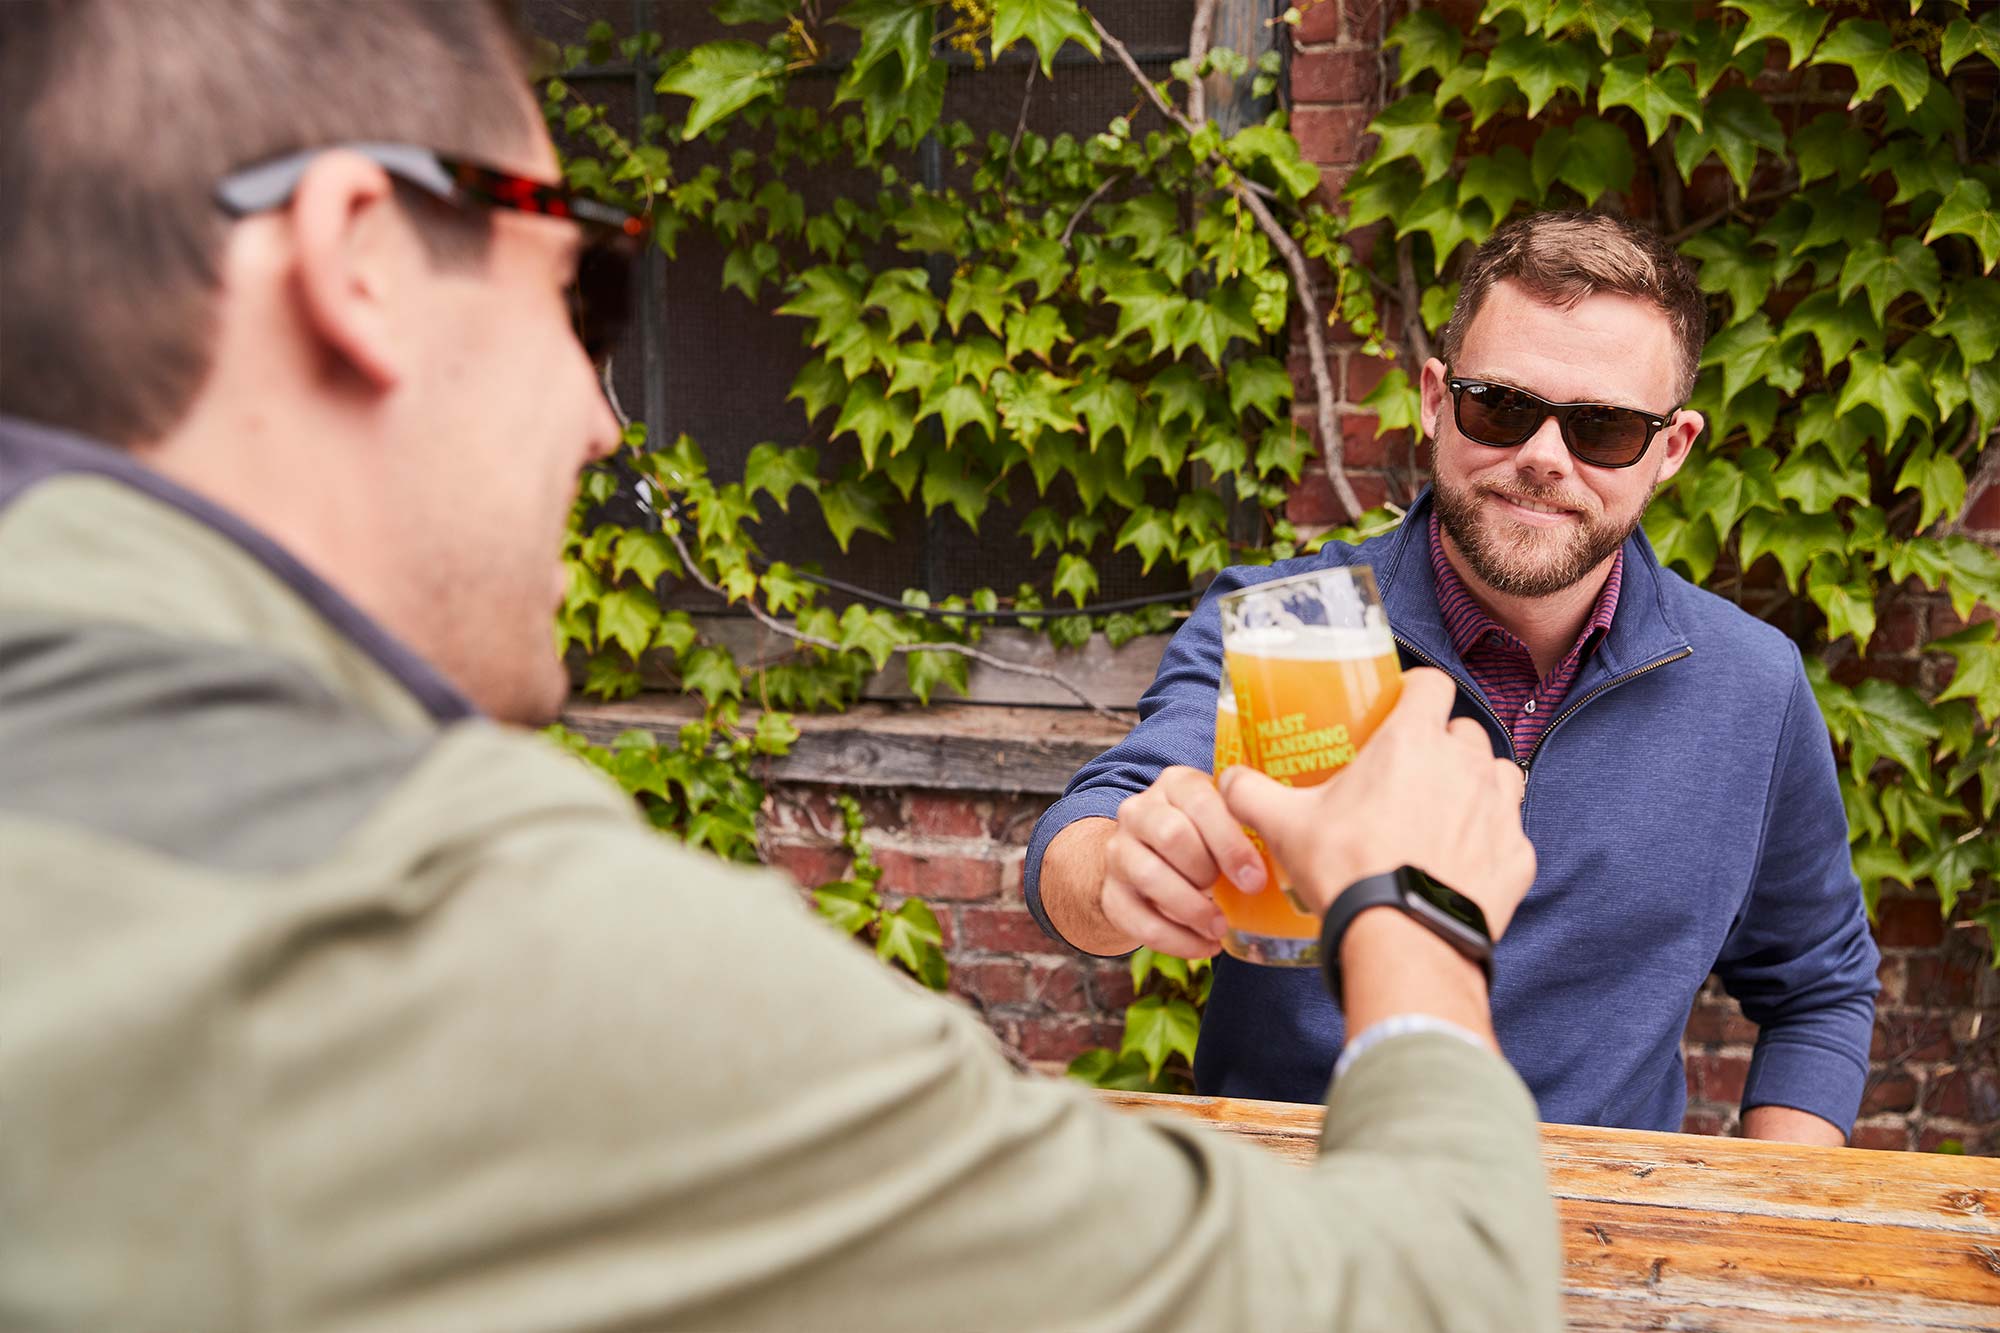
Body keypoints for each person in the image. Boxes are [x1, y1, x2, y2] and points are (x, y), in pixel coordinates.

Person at [0, 3, 1562, 1328]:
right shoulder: (490, 939)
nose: (600, 419)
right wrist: (1416, 909)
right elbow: (1427, 1297)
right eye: (581, 289)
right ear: (364, 260)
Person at [1028, 211, 1882, 1147]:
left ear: (1670, 449)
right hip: (1301, 1198)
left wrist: (1777, 1204)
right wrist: (1119, 870)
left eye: (1602, 427)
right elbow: (1084, 837)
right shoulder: (1288, 624)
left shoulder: (1752, 683)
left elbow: (1820, 984)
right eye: (1502, 406)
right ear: (1436, 400)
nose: (1544, 457)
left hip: (1603, 1219)